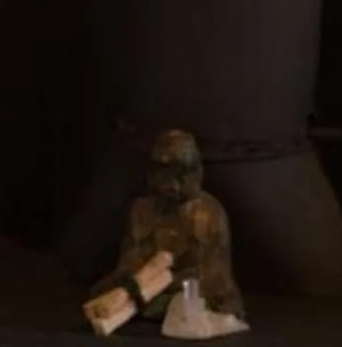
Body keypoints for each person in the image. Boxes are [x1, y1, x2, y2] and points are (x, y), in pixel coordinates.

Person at [85, 129, 244, 334]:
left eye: (181, 175)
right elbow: (130, 258)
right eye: (164, 174)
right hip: (146, 284)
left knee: (193, 298)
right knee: (103, 290)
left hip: (190, 287)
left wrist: (167, 281)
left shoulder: (207, 212)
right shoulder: (142, 209)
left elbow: (212, 272)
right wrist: (138, 279)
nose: (173, 185)